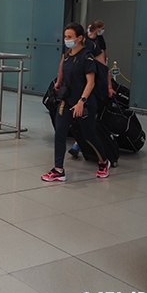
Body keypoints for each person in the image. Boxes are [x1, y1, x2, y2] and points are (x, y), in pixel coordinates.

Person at [43, 22, 110, 182]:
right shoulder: (67, 55)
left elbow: (90, 83)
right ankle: (58, 169)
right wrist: (58, 83)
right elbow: (62, 69)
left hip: (84, 102)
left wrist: (82, 101)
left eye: (69, 37)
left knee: (88, 135)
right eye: (65, 37)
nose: (66, 40)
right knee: (60, 133)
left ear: (79, 38)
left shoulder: (86, 57)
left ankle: (103, 162)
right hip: (67, 100)